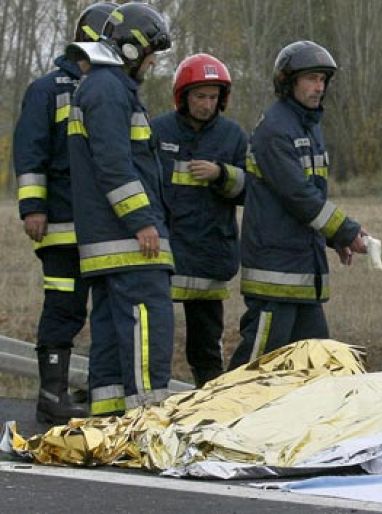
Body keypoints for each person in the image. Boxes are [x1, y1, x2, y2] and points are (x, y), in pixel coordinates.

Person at [228, 41, 367, 369]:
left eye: (322, 79)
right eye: (311, 79)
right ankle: (221, 417)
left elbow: (314, 196)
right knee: (254, 367)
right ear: (288, 82)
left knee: (318, 367)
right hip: (275, 274)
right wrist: (347, 232)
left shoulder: (310, 126)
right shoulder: (275, 130)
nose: (319, 87)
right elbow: (299, 196)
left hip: (304, 274)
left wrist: (333, 239)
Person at [66, 2, 175, 416]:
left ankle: (110, 421)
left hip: (107, 241)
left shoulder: (99, 87)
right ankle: (149, 420)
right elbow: (115, 165)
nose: (150, 64)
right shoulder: (110, 89)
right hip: (129, 241)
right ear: (131, 49)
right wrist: (142, 221)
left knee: (112, 332)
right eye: (150, 55)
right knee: (149, 325)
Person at [13, 2, 116, 424]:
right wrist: (33, 208)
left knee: (107, 311)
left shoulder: (111, 87)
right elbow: (30, 150)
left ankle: (100, 389)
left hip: (102, 227)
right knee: (64, 307)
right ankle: (51, 395)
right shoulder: (48, 88)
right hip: (60, 224)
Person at [151, 53, 247, 387]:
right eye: (199, 96)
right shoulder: (157, 131)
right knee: (155, 336)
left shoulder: (233, 136)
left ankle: (209, 398)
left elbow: (251, 190)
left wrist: (221, 174)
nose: (207, 104)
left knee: (207, 344)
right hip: (166, 252)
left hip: (210, 252)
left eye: (213, 97)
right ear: (183, 96)